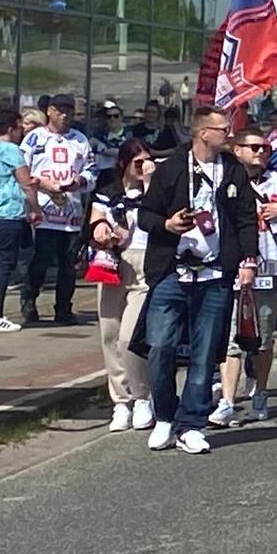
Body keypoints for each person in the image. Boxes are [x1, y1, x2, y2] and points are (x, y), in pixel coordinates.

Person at [134, 110, 259, 454]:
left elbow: (247, 217)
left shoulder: (232, 170)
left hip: (215, 272)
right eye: (223, 129)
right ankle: (164, 416)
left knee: (205, 353)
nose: (229, 134)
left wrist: (249, 257)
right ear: (204, 133)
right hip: (172, 272)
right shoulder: (172, 168)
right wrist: (168, 224)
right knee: (160, 346)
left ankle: (191, 423)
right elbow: (146, 215)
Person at [212, 127, 277, 425]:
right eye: (253, 147)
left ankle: (260, 393)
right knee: (230, 340)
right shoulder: (222, 179)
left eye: (264, 147)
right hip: (229, 268)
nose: (261, 152)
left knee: (262, 338)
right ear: (236, 149)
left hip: (267, 270)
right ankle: (227, 400)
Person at [87, 141, 157, 430]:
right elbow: (95, 221)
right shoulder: (108, 194)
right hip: (113, 263)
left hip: (144, 263)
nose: (143, 167)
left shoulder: (154, 192)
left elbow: (161, 215)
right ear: (124, 164)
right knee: (110, 333)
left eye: (147, 161)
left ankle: (142, 396)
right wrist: (102, 229)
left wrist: (151, 182)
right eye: (137, 162)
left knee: (131, 337)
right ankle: (120, 401)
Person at [20, 94, 95, 325]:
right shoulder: (35, 138)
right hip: (43, 211)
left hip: (70, 213)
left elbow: (92, 171)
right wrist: (43, 184)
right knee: (41, 261)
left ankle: (63, 308)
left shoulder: (80, 140)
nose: (65, 115)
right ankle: (29, 299)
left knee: (68, 265)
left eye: (69, 110)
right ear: (50, 111)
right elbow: (22, 170)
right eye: (60, 110)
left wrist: (79, 182)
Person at [0, 110, 38, 333]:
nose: (22, 132)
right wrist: (35, 208)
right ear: (11, 128)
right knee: (2, 265)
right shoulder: (12, 151)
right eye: (20, 128)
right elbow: (26, 183)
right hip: (7, 214)